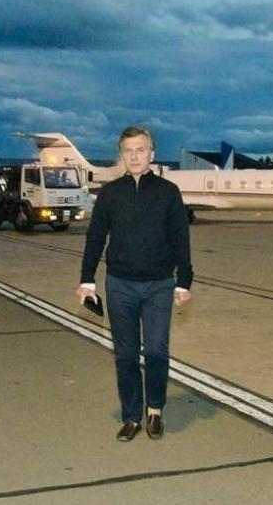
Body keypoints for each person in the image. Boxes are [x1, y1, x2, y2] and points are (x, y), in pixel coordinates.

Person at [77, 125, 193, 442]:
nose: (135, 156)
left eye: (140, 150)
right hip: (120, 285)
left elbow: (180, 238)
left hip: (159, 285)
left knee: (155, 350)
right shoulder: (110, 194)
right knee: (126, 354)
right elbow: (95, 238)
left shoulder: (168, 193)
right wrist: (87, 279)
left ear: (151, 154)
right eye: (128, 151)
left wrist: (184, 280)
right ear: (122, 155)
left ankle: (154, 409)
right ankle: (131, 416)